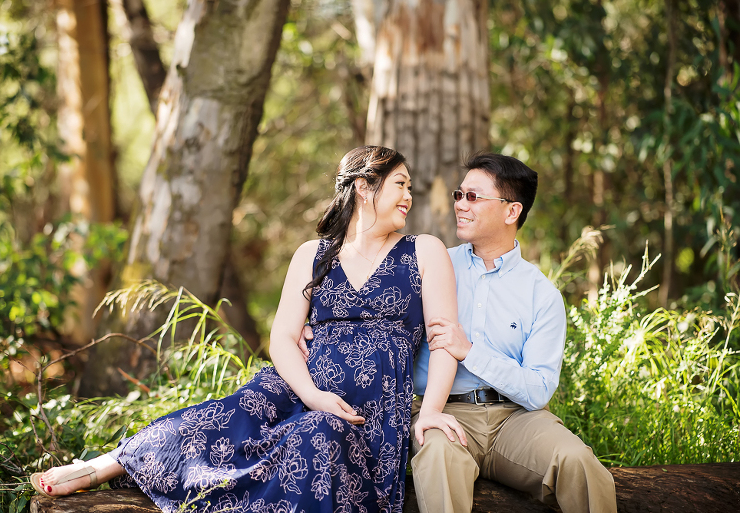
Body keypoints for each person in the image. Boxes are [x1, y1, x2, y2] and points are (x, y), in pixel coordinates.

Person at [30, 146, 466, 513]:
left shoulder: (424, 251)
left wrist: (428, 413)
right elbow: (282, 337)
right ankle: (107, 464)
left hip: (367, 412)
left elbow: (444, 341)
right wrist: (313, 394)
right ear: (365, 187)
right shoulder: (313, 255)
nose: (410, 195)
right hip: (295, 387)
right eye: (401, 184)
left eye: (409, 187)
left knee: (319, 435)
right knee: (211, 421)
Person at [411, 152, 617, 512]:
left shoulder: (542, 295)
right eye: (459, 195)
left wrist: (470, 351)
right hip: (446, 413)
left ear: (511, 211)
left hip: (517, 421)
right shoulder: (434, 264)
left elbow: (537, 390)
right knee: (437, 456)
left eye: (473, 197)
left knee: (578, 462)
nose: (460, 205)